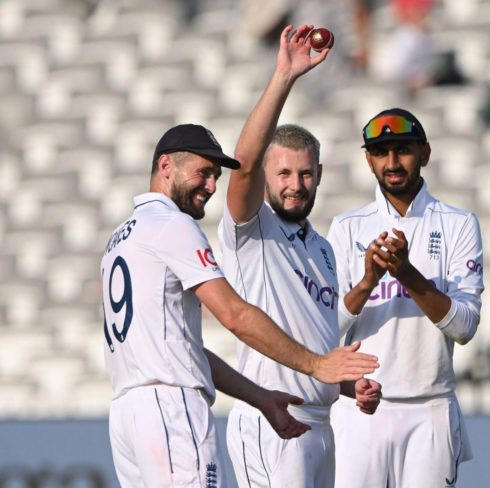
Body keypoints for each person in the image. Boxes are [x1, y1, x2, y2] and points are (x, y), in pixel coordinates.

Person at [101, 123, 378, 485]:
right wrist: (316, 365)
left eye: (216, 176)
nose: (212, 186)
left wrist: (261, 397)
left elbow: (187, 350)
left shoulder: (121, 238)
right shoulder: (174, 225)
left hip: (129, 410)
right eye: (203, 172)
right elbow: (233, 315)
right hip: (172, 406)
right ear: (165, 165)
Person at [215, 24, 382, 488]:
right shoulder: (251, 231)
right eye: (284, 172)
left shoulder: (323, 249)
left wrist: (347, 386)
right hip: (273, 422)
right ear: (267, 174)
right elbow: (243, 163)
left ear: (320, 174)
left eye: (305, 174)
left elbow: (317, 342)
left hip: (321, 424)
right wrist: (284, 76)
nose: (295, 184)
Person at [327, 108, 484, 487]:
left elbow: (464, 328)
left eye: (403, 150)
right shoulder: (347, 227)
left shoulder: (458, 224)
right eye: (381, 152)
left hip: (430, 408)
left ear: (425, 154)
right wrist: (367, 282)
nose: (392, 162)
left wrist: (406, 274)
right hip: (359, 409)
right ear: (368, 160)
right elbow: (325, 328)